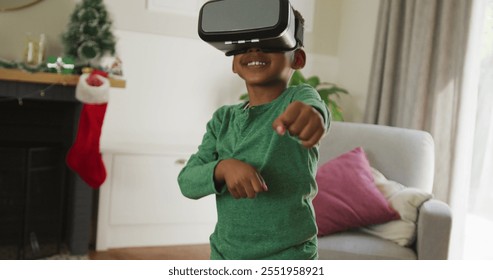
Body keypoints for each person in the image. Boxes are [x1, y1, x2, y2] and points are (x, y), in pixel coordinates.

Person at [177, 10, 330, 260]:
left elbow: (314, 110)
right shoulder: (222, 120)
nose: (254, 50)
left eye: (270, 41)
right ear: (234, 62)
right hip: (225, 253)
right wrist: (223, 168)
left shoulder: (299, 98)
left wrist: (311, 116)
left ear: (298, 58)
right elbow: (187, 182)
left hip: (289, 255)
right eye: (244, 44)